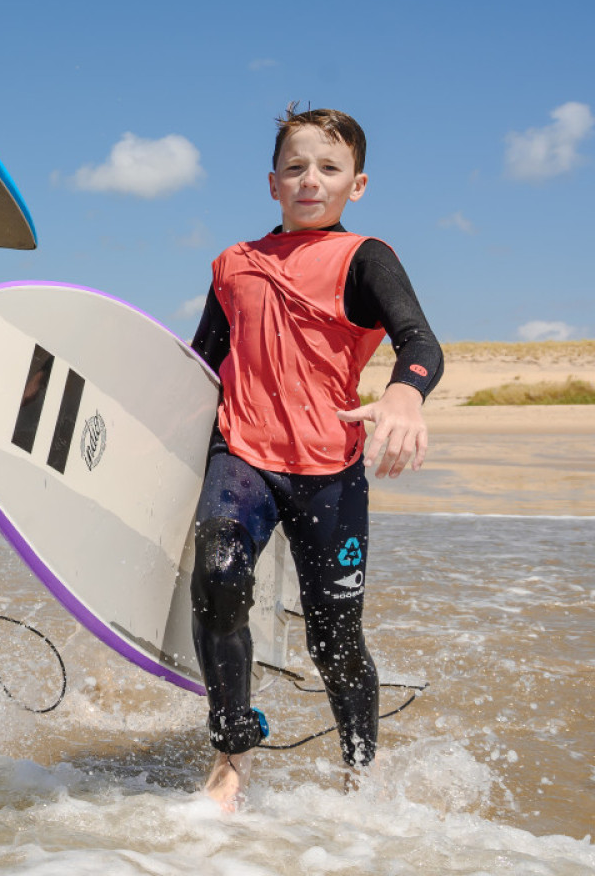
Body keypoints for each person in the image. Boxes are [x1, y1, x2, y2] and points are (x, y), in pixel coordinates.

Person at [185, 105, 443, 811]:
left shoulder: (365, 258)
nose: (310, 180)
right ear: (272, 182)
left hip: (329, 470)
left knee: (335, 642)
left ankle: (362, 766)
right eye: (295, 167)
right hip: (243, 453)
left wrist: (404, 397)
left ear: (355, 185)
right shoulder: (234, 264)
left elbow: (420, 343)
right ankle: (232, 755)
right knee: (220, 574)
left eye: (329, 168)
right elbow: (197, 368)